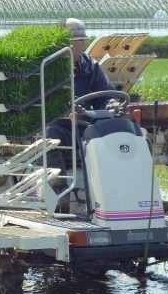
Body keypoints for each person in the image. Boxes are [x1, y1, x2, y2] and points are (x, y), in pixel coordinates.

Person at [44, 18, 120, 211]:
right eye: (73, 43)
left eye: (81, 42)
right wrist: (61, 109)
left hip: (86, 125)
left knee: (125, 133)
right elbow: (39, 101)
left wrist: (112, 104)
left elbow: (105, 92)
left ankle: (129, 191)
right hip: (60, 126)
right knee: (50, 137)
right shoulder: (47, 67)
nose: (78, 47)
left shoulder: (91, 66)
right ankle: (61, 194)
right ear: (61, 43)